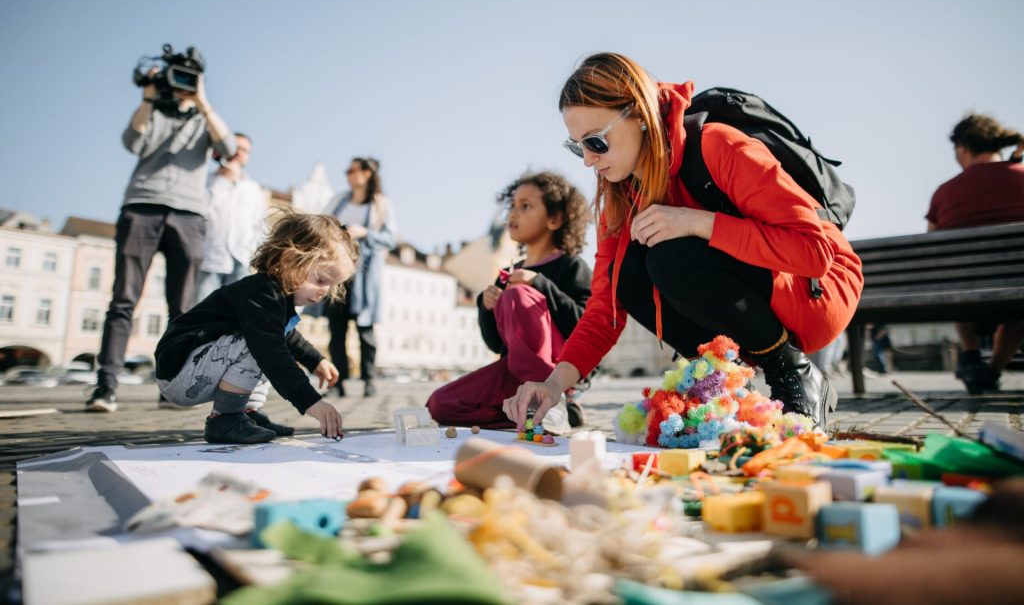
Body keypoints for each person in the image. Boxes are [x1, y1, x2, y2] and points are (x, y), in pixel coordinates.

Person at [503, 53, 864, 430]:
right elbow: (605, 308)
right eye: (578, 146)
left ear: (639, 115)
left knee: (668, 257)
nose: (589, 161)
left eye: (596, 141)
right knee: (628, 273)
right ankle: (724, 386)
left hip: (815, 291)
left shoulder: (717, 145)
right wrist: (554, 385)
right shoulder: (619, 196)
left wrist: (699, 223)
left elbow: (813, 252)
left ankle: (794, 372)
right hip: (755, 292)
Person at [86, 65, 237, 413]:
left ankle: (172, 387)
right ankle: (105, 387)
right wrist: (148, 99)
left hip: (189, 214)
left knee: (182, 309)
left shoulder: (204, 119)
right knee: (123, 300)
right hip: (142, 207)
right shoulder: (152, 111)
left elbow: (228, 147)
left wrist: (202, 102)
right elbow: (133, 142)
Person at [154, 211, 355, 444]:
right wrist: (312, 402)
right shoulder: (261, 293)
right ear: (289, 260)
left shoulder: (276, 298)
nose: (324, 292)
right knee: (264, 347)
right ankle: (225, 419)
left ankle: (246, 414)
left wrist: (315, 360)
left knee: (269, 341)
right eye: (321, 280)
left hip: (194, 369)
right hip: (180, 371)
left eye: (331, 286)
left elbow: (289, 336)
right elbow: (273, 351)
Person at [426, 171, 592, 429]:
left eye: (525, 206)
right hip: (513, 372)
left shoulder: (572, 266)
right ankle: (531, 411)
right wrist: (485, 307)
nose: (513, 213)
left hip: (557, 373)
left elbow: (584, 324)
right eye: (512, 205)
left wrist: (539, 284)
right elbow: (495, 343)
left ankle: (554, 401)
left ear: (555, 219)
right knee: (440, 404)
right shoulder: (507, 273)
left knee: (516, 295)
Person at [926, 113, 1024, 394]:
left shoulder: (945, 192)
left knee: (959, 274)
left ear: (962, 147)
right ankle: (992, 370)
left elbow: (932, 244)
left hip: (964, 292)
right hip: (1018, 288)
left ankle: (970, 353)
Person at [322, 157, 397, 397]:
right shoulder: (339, 200)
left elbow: (390, 238)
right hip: (336, 273)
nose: (348, 174)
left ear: (367, 174)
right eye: (347, 170)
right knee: (336, 331)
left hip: (363, 277)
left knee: (365, 330)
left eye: (352, 170)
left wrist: (365, 233)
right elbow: (321, 225)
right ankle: (338, 382)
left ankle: (369, 380)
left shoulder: (380, 204)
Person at [194, 132, 267, 304]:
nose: (239, 153)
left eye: (245, 150)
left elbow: (259, 225)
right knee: (202, 309)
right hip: (210, 258)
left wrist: (251, 251)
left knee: (236, 312)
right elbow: (200, 211)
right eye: (236, 147)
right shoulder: (206, 181)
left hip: (241, 260)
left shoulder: (253, 188)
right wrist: (223, 179)